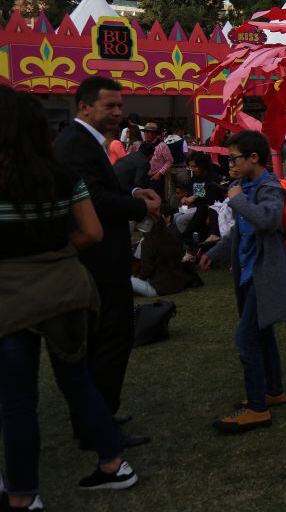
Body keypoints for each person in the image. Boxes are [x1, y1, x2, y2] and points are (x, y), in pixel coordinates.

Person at [0, 89, 140, 510]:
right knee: (77, 380)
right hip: (65, 287)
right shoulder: (61, 175)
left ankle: (24, 494)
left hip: (11, 298)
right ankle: (114, 462)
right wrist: (56, 253)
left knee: (18, 400)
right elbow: (92, 232)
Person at [53, 76, 158, 448]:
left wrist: (130, 191)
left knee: (106, 342)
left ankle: (99, 415)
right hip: (97, 263)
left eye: (119, 106)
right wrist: (138, 205)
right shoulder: (75, 145)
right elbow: (92, 201)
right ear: (84, 106)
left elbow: (100, 189)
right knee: (109, 341)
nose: (117, 113)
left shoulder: (83, 142)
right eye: (109, 106)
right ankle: (97, 425)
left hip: (101, 260)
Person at [199, 130, 286, 433]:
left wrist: (237, 201)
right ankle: (274, 390)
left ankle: (256, 408)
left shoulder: (270, 187)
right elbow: (239, 232)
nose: (230, 165)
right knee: (262, 332)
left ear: (254, 158)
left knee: (246, 337)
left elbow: (268, 219)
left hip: (263, 275)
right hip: (250, 273)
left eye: (234, 158)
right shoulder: (244, 186)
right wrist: (215, 252)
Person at [130, 212, 191, 298]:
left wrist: (140, 279)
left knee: (128, 280)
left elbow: (147, 269)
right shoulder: (172, 235)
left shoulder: (148, 242)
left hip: (160, 288)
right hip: (180, 283)